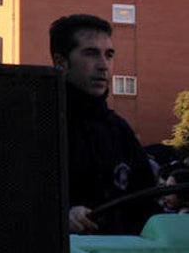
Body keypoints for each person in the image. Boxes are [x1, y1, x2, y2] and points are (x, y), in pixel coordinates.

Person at [51, 14, 159, 235]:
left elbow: (148, 207)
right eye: (91, 53)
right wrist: (61, 215)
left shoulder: (120, 131)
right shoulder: (37, 123)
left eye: (109, 55)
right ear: (61, 62)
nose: (103, 65)